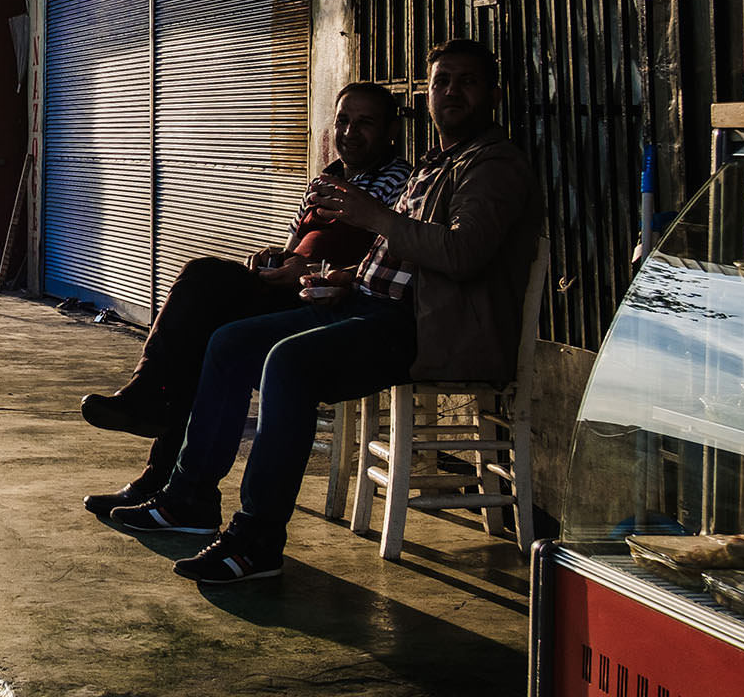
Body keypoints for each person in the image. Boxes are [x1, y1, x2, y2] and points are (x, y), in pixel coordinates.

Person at [112, 40, 543, 585]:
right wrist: (346, 278)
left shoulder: (494, 166)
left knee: (287, 364)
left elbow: (463, 254)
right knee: (230, 341)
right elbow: (403, 258)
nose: (452, 91)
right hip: (367, 305)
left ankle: (256, 539)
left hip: (420, 331)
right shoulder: (440, 164)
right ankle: (189, 499)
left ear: (494, 96)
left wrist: (376, 217)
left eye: (467, 81)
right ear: (428, 97)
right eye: (442, 81)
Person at [78, 84, 411, 519]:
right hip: (287, 287)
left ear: (390, 130)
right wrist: (274, 258)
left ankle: (155, 423)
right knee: (202, 327)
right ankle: (163, 476)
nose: (350, 132)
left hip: (329, 303)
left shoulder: (399, 182)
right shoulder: (323, 181)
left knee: (205, 284)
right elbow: (295, 245)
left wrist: (311, 269)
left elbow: (385, 262)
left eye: (365, 122)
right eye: (343, 120)